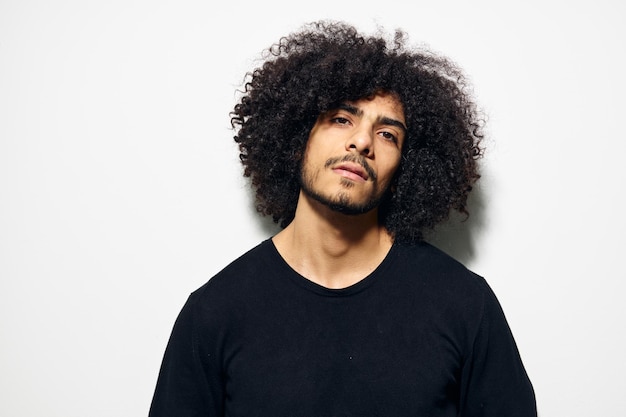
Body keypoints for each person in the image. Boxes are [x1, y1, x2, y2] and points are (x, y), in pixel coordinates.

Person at [149, 20, 536, 417]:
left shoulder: (465, 305)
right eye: (340, 119)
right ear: (299, 135)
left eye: (388, 134)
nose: (362, 141)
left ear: (408, 165)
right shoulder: (215, 312)